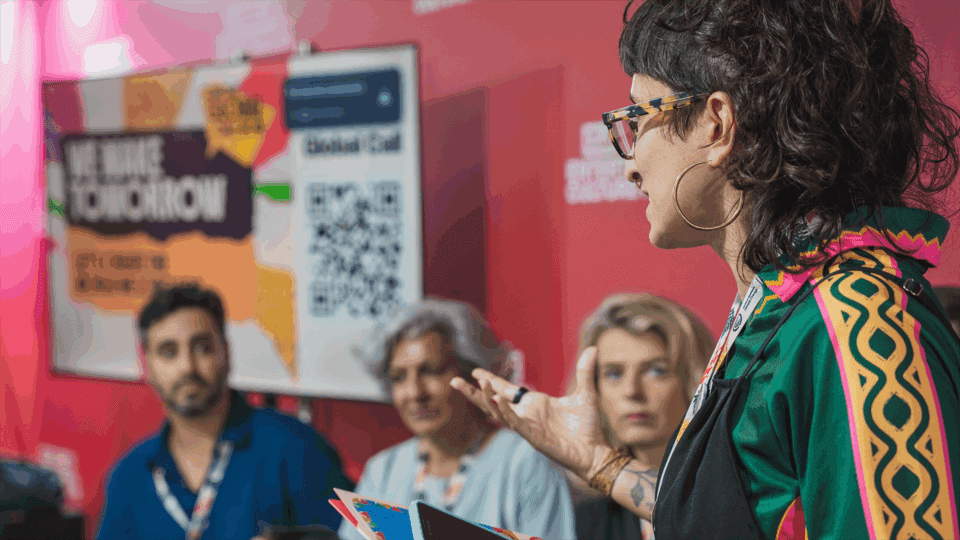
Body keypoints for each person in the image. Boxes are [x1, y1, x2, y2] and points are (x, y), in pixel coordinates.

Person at [451, 0, 960, 539]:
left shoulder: (861, 321)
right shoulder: (785, 304)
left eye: (638, 118)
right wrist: (599, 463)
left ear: (717, 124)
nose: (628, 164)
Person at [97, 284, 354, 540]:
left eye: (202, 347)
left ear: (227, 352)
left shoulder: (295, 447)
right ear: (147, 367)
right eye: (168, 352)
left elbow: (366, 534)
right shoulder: (129, 477)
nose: (187, 366)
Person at [339, 299, 575, 540]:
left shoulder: (524, 462)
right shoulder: (383, 470)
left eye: (431, 371)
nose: (415, 392)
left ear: (473, 373)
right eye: (399, 377)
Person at [571, 293, 712, 540]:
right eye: (613, 374)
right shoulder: (591, 516)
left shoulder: (727, 491)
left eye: (656, 370)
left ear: (694, 379)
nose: (632, 391)